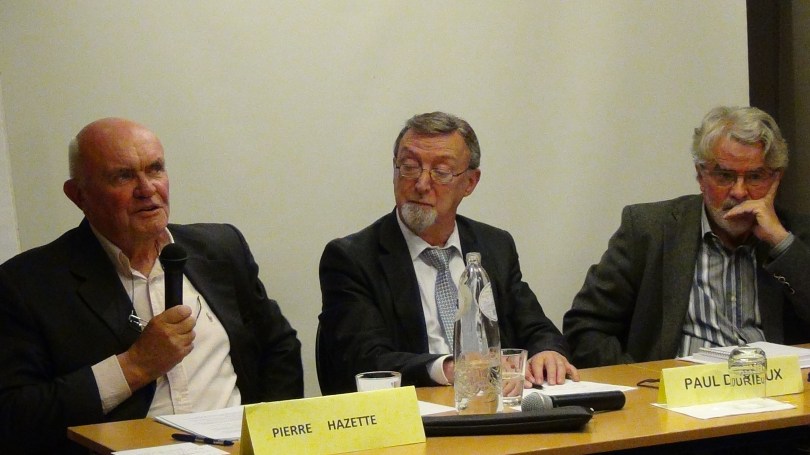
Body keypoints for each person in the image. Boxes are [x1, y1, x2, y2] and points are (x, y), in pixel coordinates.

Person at [0, 118, 303, 453]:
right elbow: (15, 415)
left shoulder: (221, 248)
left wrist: (271, 437)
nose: (147, 189)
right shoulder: (28, 284)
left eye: (155, 169)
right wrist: (134, 366)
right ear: (78, 195)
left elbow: (279, 347)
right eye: (123, 176)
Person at [317, 111, 578, 395]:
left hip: (496, 407)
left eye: (440, 172)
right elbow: (364, 360)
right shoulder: (352, 259)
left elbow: (535, 326)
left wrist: (548, 351)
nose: (421, 184)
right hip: (415, 411)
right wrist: (453, 368)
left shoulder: (494, 245)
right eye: (409, 167)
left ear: (470, 182)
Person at [563, 106, 810, 368]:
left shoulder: (795, 237)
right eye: (724, 176)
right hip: (677, 387)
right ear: (700, 175)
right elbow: (585, 328)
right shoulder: (650, 230)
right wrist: (640, 379)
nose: (739, 192)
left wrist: (781, 243)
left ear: (776, 179)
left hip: (775, 387)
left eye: (755, 177)